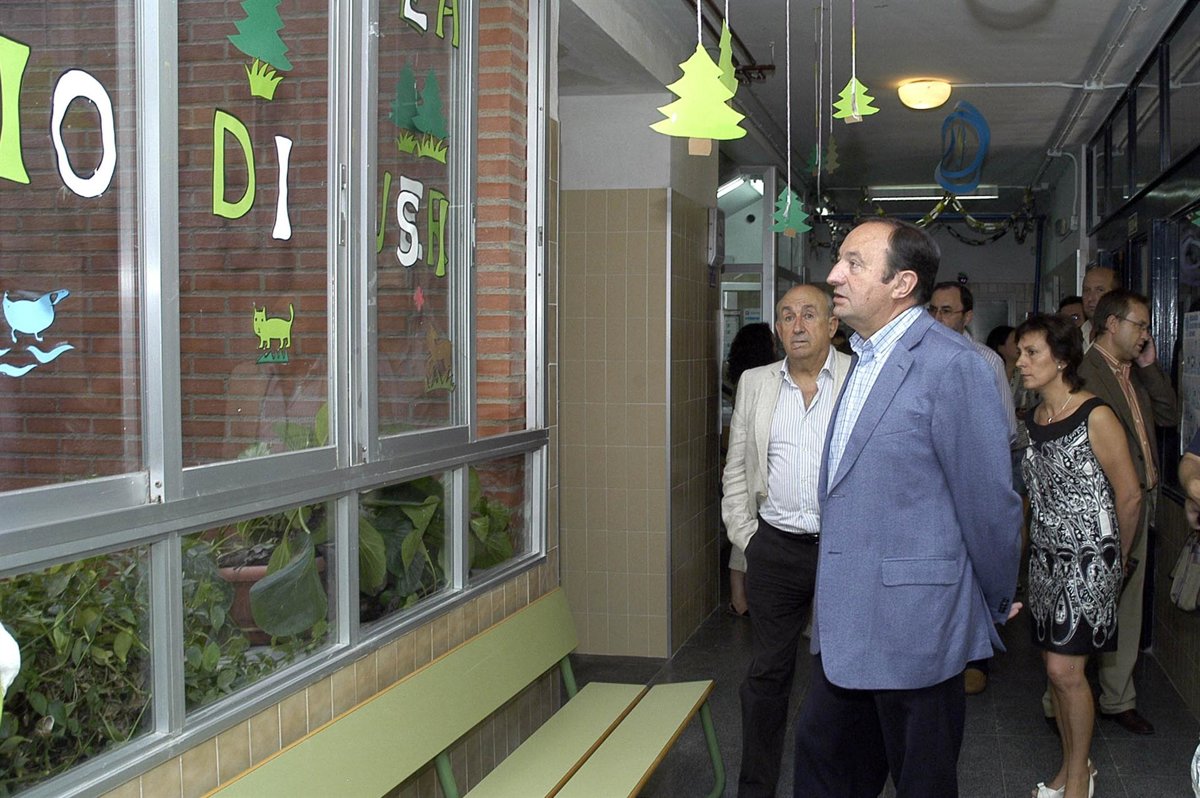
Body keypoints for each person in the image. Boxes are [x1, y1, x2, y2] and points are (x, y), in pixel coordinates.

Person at [793, 218, 1022, 798]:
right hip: (846, 625)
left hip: (917, 629)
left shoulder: (953, 365)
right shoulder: (864, 358)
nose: (833, 275)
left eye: (853, 263)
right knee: (824, 771)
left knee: (921, 782)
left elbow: (988, 505)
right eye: (839, 260)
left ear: (902, 284)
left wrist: (993, 599)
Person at [721, 285, 851, 797]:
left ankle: (832, 786)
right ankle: (756, 788)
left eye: (809, 314)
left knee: (840, 673)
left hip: (841, 549)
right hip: (774, 547)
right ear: (777, 328)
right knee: (767, 675)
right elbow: (736, 468)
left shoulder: (859, 377)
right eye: (787, 316)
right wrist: (747, 539)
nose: (797, 325)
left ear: (832, 325)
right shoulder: (755, 383)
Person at [1015, 313, 1141, 798]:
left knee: (1064, 672)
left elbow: (1129, 495)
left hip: (1090, 562)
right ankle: (1073, 769)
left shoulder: (1096, 415)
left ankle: (1078, 782)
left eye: (1032, 353)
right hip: (1046, 563)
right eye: (1020, 353)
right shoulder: (1033, 420)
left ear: (1063, 359)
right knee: (1057, 677)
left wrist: (1116, 561)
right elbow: (1032, 496)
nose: (1021, 362)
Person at [1075, 287, 1180, 735]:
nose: (1145, 335)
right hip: (1105, 508)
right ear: (1112, 324)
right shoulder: (1085, 373)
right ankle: (1060, 698)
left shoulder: (1132, 374)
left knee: (1128, 606)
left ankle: (1118, 699)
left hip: (1140, 503)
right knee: (1087, 605)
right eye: (1140, 326)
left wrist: (1150, 366)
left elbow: (1169, 414)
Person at [928, 281, 1019, 695]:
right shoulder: (917, 359)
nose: (938, 318)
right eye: (933, 309)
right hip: (933, 490)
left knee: (974, 567)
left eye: (947, 311)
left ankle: (976, 656)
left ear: (967, 317)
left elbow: (1006, 430)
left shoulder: (986, 361)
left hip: (973, 482)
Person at [722, 322, 779, 616]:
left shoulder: (740, 375)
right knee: (745, 531)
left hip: (748, 462)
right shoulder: (757, 380)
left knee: (745, 531)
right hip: (751, 464)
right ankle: (740, 599)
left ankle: (738, 598)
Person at [1080, 266, 1118, 349]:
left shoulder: (1122, 339)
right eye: (1086, 290)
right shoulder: (1077, 337)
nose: (1090, 298)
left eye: (1099, 290)